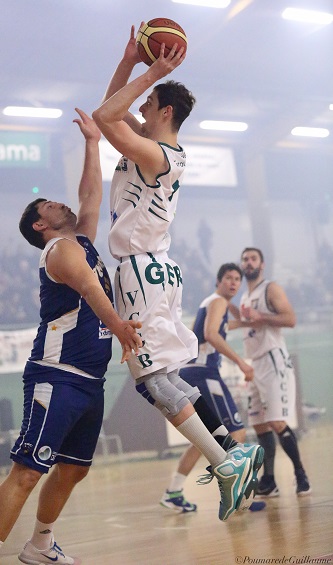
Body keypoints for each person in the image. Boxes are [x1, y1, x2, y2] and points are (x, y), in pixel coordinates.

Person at [92, 25, 263, 522]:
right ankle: (233, 448)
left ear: (165, 112)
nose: (139, 109)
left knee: (152, 383)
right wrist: (129, 60)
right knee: (167, 378)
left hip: (141, 273)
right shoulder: (154, 149)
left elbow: (106, 115)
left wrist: (153, 70)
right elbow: (113, 107)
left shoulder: (158, 154)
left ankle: (225, 462)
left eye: (148, 104)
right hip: (155, 270)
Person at [0, 109, 142, 565]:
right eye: (51, 207)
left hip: (88, 380)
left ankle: (40, 544)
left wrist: (92, 143)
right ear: (41, 225)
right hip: (57, 377)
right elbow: (90, 288)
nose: (62, 204)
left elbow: (92, 194)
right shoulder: (59, 251)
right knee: (25, 473)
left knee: (75, 468)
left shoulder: (79, 238)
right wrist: (119, 326)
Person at [160, 263, 265, 513]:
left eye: (237, 279)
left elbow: (221, 327)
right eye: (228, 277)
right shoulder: (217, 301)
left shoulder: (214, 304)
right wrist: (241, 362)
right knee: (235, 432)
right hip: (204, 373)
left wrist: (245, 320)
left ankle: (173, 492)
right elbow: (212, 334)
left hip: (193, 372)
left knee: (205, 438)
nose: (233, 282)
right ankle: (237, 494)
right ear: (218, 281)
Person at [230, 247, 311, 497]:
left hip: (273, 360)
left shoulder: (270, 289)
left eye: (253, 259)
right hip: (255, 363)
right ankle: (270, 480)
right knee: (260, 425)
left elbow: (290, 319)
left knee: (276, 421)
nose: (248, 262)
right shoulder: (245, 296)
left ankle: (301, 475)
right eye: (245, 259)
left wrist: (261, 315)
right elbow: (249, 322)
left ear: (262, 264)